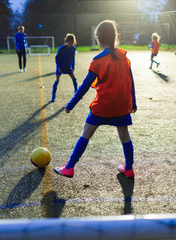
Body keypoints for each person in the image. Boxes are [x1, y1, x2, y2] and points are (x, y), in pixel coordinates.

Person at [54, 20, 137, 178]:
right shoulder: (124, 56)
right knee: (125, 136)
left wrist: (70, 104)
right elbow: (131, 81)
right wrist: (134, 102)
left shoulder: (98, 61)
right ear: (114, 36)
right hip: (122, 107)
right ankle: (129, 168)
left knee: (85, 134)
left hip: (103, 108)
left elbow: (85, 86)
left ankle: (69, 167)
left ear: (98, 38)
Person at [51, 33, 78, 102]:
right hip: (60, 67)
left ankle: (77, 93)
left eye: (72, 43)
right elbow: (57, 58)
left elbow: (73, 58)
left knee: (74, 79)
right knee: (57, 81)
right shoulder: (62, 48)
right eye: (69, 43)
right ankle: (53, 96)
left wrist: (73, 66)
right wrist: (59, 67)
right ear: (66, 42)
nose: (70, 44)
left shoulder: (73, 48)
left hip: (68, 67)